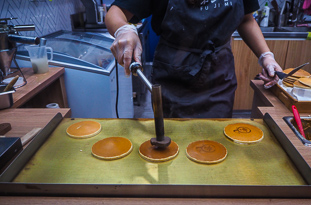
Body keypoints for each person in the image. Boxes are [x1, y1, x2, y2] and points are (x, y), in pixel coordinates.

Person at [105, 0, 282, 118]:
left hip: (218, 75)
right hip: (174, 75)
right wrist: (124, 30)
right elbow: (115, 12)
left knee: (215, 142)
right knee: (174, 141)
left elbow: (246, 19)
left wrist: (266, 56)